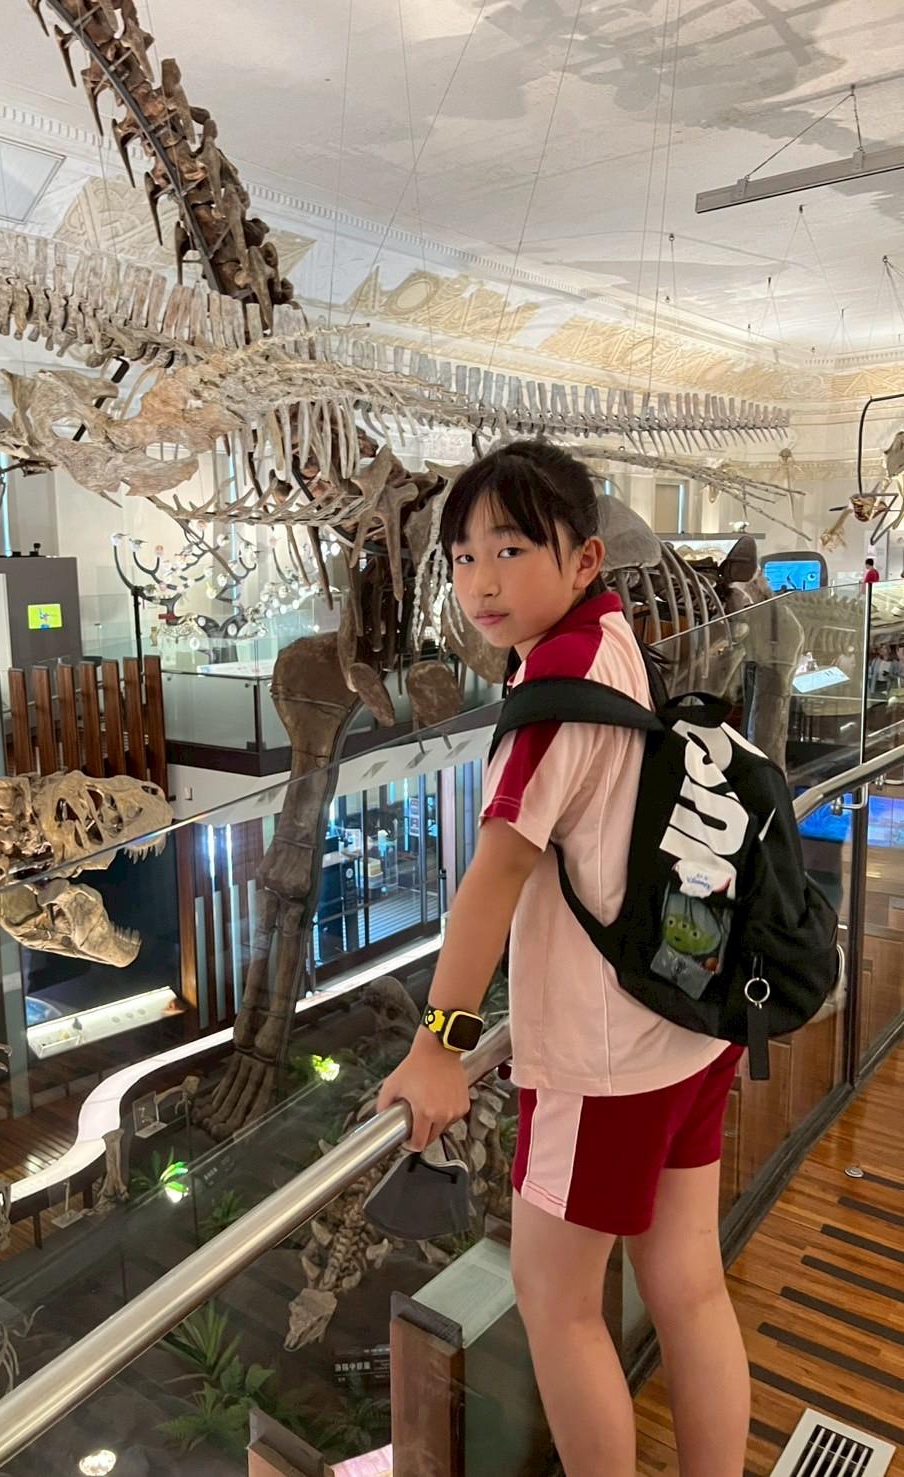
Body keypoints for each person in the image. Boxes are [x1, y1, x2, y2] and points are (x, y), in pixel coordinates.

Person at [377, 441, 749, 1476]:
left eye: (510, 548)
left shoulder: (552, 693)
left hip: (606, 1063)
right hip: (692, 1024)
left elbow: (493, 877)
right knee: (689, 1286)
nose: (481, 582)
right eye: (462, 556)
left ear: (584, 558)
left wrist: (440, 1044)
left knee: (557, 1303)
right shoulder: (616, 639)